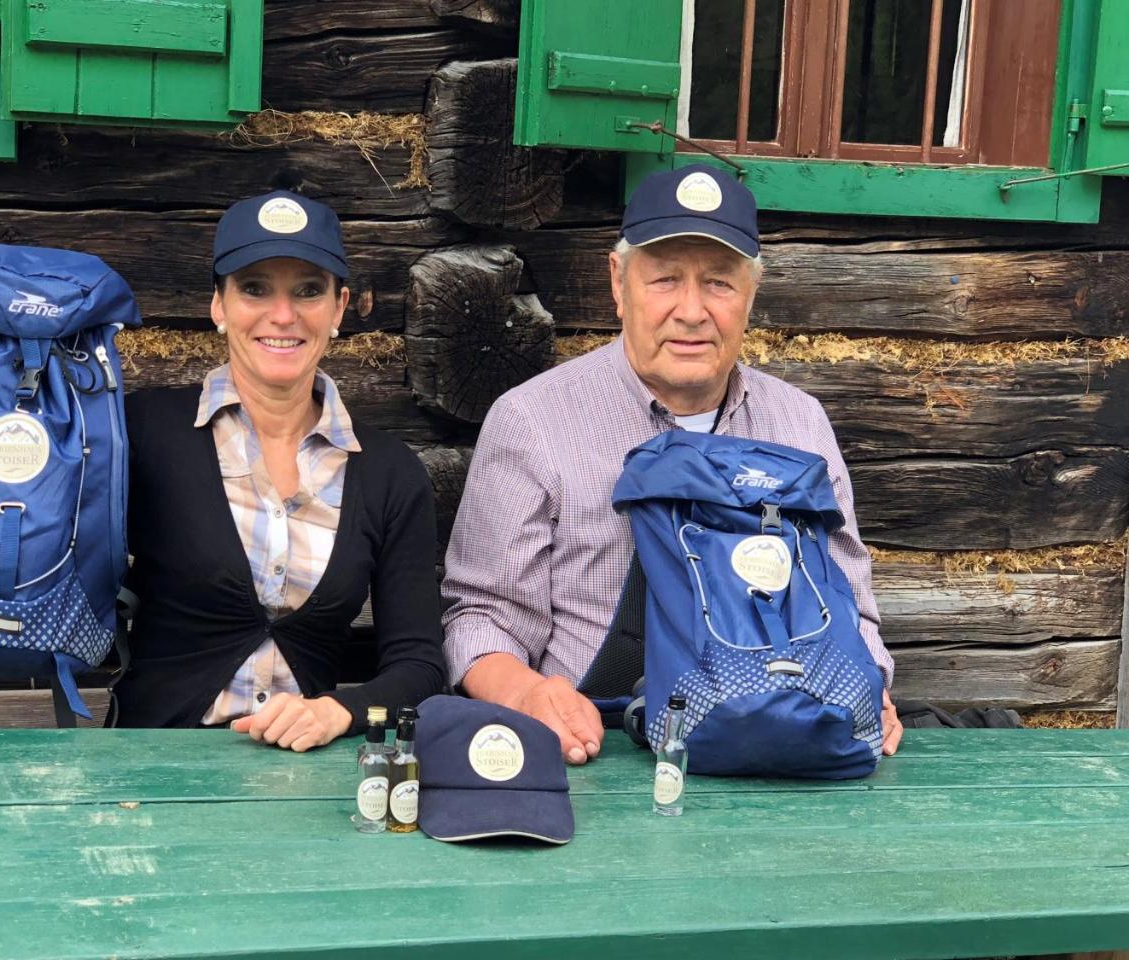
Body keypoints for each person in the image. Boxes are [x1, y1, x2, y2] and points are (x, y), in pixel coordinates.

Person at [441, 166, 902, 765]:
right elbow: (484, 616)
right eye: (664, 280)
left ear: (751, 292)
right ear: (618, 281)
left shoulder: (799, 424)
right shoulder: (535, 420)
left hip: (788, 747)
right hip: (600, 749)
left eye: (718, 283)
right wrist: (528, 694)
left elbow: (851, 602)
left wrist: (869, 687)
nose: (692, 310)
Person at [112, 190, 446, 746]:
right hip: (155, 770)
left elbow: (420, 664)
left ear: (339, 308)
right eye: (255, 288)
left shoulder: (389, 473)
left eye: (308, 291)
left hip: (305, 772)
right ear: (219, 305)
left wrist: (341, 710)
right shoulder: (145, 432)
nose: (283, 315)